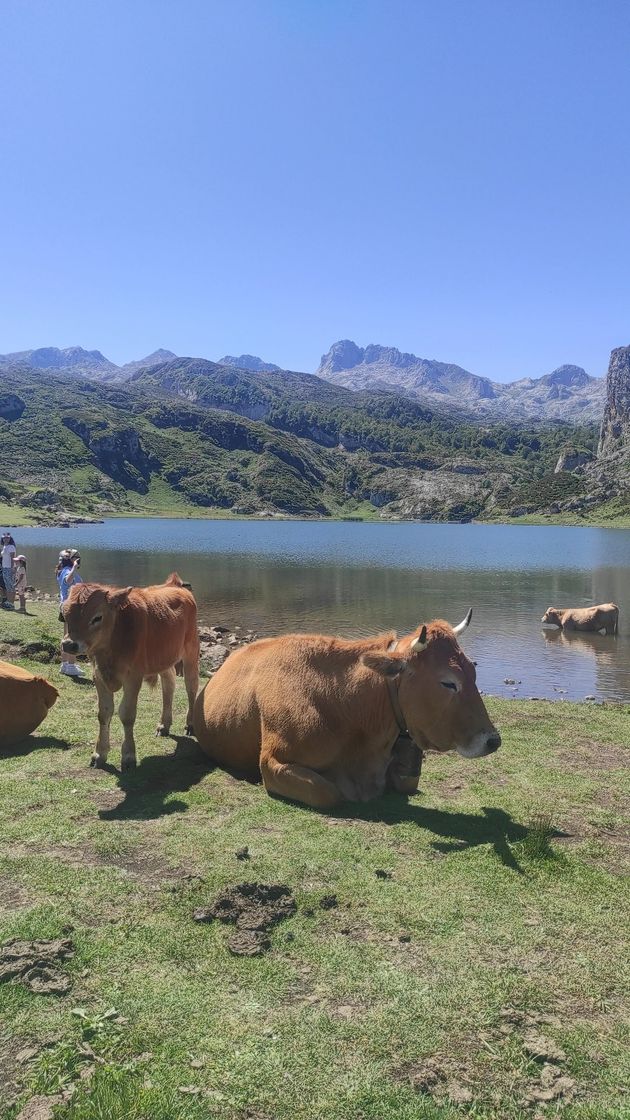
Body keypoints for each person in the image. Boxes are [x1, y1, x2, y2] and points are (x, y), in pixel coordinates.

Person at [56, 548, 85, 677]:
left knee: (66, 635)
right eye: (77, 559)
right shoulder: (68, 571)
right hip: (71, 607)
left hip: (64, 605)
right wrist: (74, 567)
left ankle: (65, 664)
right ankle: (71, 666)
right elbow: (68, 580)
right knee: (73, 636)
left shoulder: (61, 570)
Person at [1, 532, 17, 608]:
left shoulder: (11, 547)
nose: (5, 539)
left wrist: (13, 568)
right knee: (7, 586)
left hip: (9, 568)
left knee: (11, 586)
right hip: (4, 568)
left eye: (7, 538)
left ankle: (11, 603)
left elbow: (12, 558)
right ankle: (8, 602)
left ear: (10, 538)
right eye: (4, 538)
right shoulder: (4, 546)